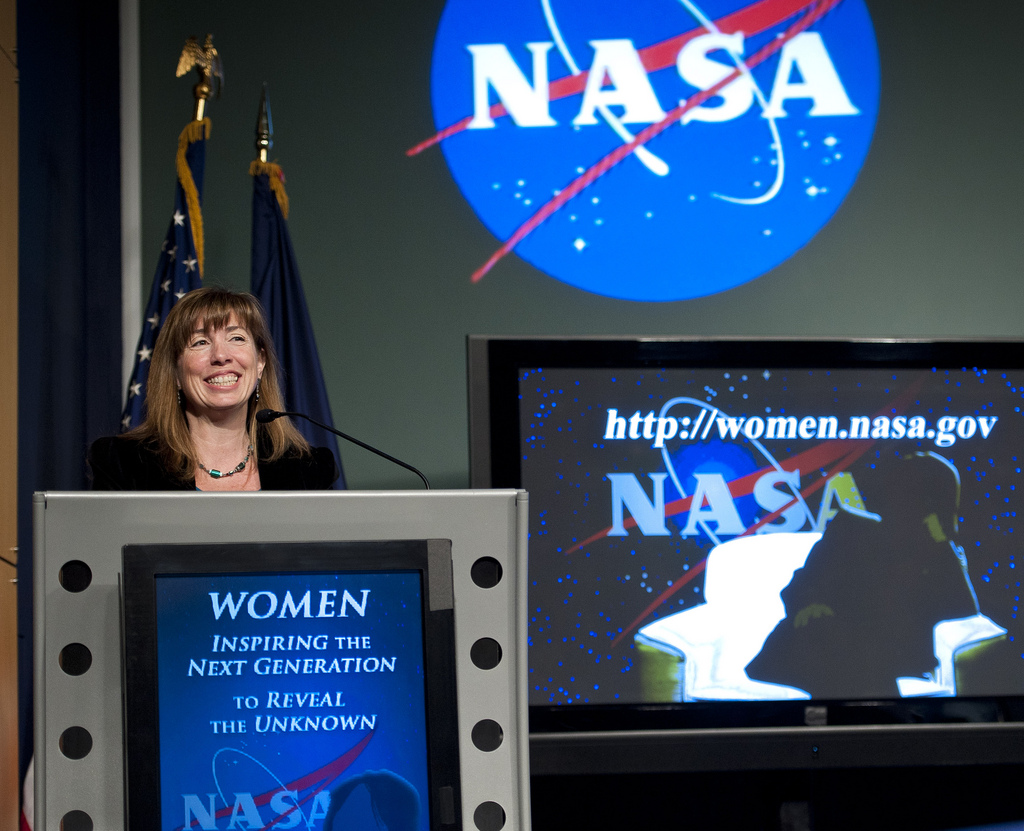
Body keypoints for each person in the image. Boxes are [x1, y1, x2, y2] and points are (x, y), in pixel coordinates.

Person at [89, 287, 338, 490]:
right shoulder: (123, 464)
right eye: (200, 342)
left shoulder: (308, 470)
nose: (220, 355)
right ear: (175, 372)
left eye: (236, 338)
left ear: (260, 362)